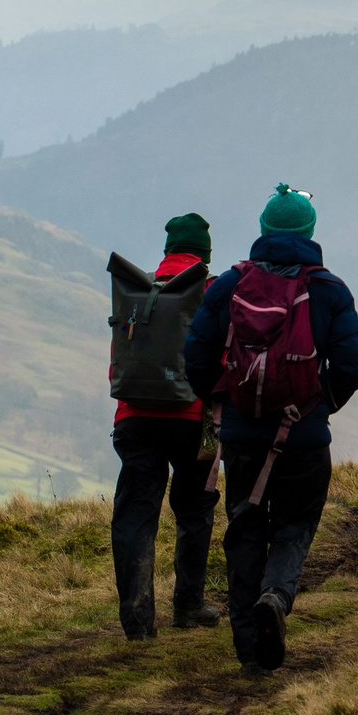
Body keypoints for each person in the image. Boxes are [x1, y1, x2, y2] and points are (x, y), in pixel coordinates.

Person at [183, 185, 358, 674]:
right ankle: (277, 596)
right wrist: (319, 404)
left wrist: (223, 400)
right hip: (303, 436)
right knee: (295, 525)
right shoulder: (328, 288)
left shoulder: (228, 284)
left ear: (265, 229)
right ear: (308, 232)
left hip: (241, 436)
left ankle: (250, 653)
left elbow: (196, 354)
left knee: (244, 529)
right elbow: (351, 362)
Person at [111, 212, 219, 640]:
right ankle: (188, 605)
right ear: (204, 257)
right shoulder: (209, 292)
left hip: (133, 417)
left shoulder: (138, 292)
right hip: (191, 419)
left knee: (136, 512)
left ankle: (137, 620)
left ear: (168, 252)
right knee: (194, 510)